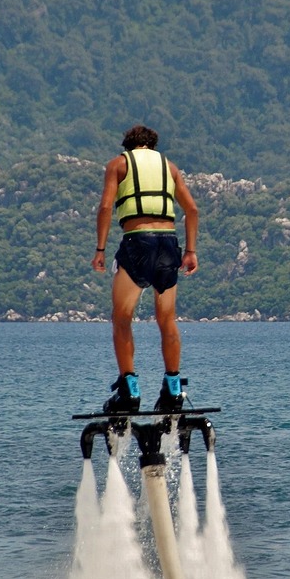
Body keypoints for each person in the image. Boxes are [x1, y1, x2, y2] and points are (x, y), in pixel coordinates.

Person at [91, 125, 200, 414]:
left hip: (137, 243)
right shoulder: (171, 167)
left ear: (128, 146)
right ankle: (173, 389)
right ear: (152, 146)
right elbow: (192, 210)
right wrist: (190, 251)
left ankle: (129, 390)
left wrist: (100, 250)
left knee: (122, 317)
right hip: (168, 244)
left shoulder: (118, 164)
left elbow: (105, 207)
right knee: (167, 319)